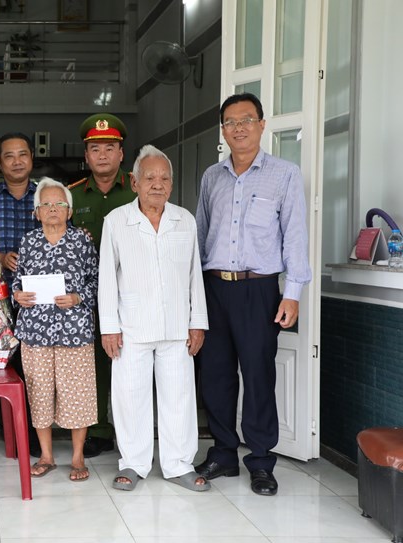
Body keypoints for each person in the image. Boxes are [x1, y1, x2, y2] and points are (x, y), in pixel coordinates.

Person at [194, 93, 312, 496]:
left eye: (246, 119)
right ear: (223, 131)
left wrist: (292, 292)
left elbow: (295, 236)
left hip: (260, 289)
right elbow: (201, 235)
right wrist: (195, 294)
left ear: (262, 125)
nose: (238, 127)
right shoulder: (212, 177)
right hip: (214, 289)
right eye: (230, 122)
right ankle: (223, 454)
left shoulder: (284, 174)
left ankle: (260, 460)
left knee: (259, 375)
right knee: (216, 375)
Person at [98, 145, 209, 492]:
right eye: (149, 178)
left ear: (171, 185)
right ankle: (133, 463)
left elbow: (195, 276)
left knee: (179, 396)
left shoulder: (184, 219)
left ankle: (178, 464)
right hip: (131, 327)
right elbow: (106, 278)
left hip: (177, 326)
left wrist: (198, 322)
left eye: (164, 178)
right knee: (130, 396)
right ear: (134, 182)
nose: (157, 185)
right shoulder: (116, 220)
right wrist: (109, 327)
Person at [12, 177, 98, 482]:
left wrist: (77, 297)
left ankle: (77, 457)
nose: (52, 209)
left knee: (78, 393)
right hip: (35, 331)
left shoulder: (82, 241)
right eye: (45, 204)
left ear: (69, 211)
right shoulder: (28, 242)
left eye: (59, 204)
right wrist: (18, 295)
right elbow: (17, 281)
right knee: (40, 392)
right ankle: (46, 456)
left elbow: (96, 281)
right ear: (36, 212)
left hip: (73, 330)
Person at [67, 113, 136, 458]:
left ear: (122, 153)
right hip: (89, 297)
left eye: (110, 148)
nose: (103, 155)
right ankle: (98, 430)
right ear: (87, 155)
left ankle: (131, 432)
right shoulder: (72, 196)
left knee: (132, 363)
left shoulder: (139, 188)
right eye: (96, 149)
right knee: (94, 363)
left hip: (135, 293)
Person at [0, 132, 41, 457]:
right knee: (2, 364)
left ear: (31, 158)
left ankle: (33, 432)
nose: (17, 161)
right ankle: (8, 430)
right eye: (9, 155)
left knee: (35, 365)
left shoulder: (46, 196)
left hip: (39, 300)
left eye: (22, 154)